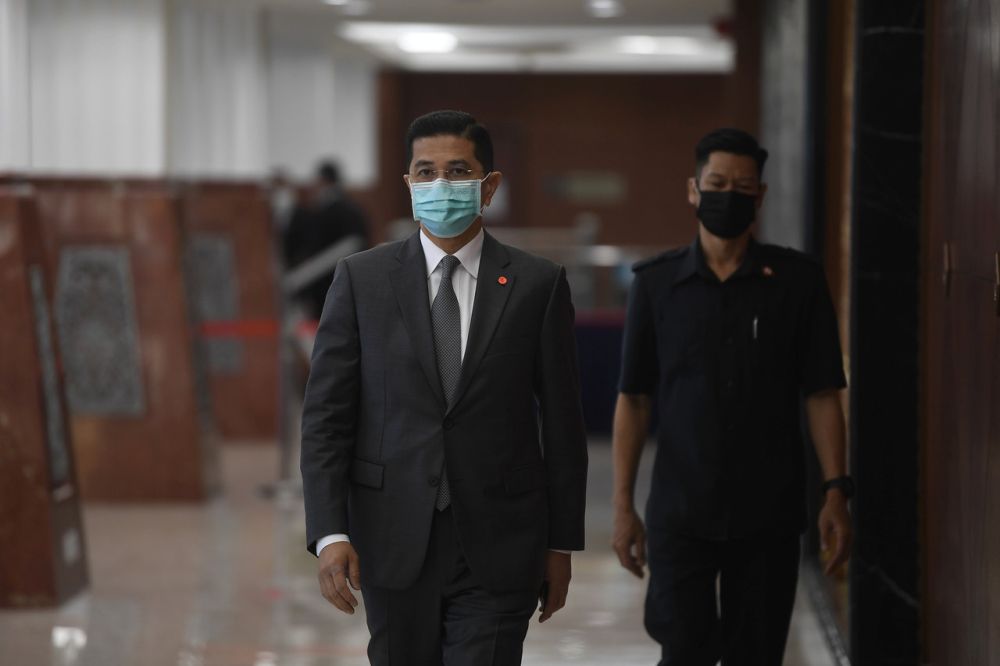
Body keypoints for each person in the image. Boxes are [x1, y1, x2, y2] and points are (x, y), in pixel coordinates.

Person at [300, 110, 588, 665]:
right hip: (391, 538)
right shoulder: (361, 280)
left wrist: (561, 543)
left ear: (489, 186)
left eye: (457, 171)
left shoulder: (537, 285)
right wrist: (330, 532)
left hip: (501, 541)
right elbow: (325, 419)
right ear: (408, 183)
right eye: (425, 172)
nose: (440, 185)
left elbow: (563, 425)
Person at [611, 128, 853, 666]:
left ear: (760, 197)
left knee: (758, 654)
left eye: (743, 186)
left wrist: (836, 490)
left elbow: (821, 393)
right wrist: (623, 506)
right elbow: (634, 399)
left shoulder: (798, 283)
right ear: (693, 190)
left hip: (768, 513)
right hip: (681, 512)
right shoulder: (655, 286)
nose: (729, 195)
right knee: (682, 650)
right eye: (716, 183)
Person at [283, 160, 370, 319]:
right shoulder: (352, 210)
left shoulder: (331, 213)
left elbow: (350, 246)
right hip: (346, 285)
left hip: (329, 286)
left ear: (323, 181)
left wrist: (300, 277)